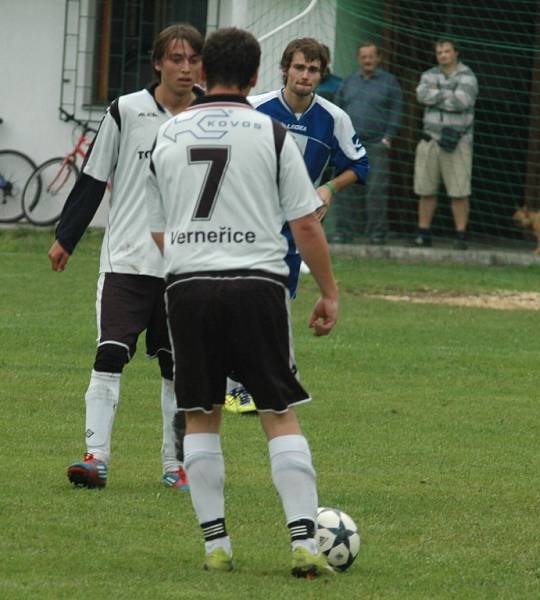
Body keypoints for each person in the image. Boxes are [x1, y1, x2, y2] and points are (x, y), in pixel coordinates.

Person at [147, 27, 339, 577]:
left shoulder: (169, 134)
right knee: (278, 412)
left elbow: (159, 229)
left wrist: (192, 258)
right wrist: (328, 292)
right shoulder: (273, 132)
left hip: (187, 286)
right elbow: (305, 223)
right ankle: (304, 542)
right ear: (257, 77)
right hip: (256, 284)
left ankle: (216, 547)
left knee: (201, 414)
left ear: (203, 72)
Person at [47, 23, 204, 491]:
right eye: (175, 59)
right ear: (158, 63)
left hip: (182, 267)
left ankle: (175, 465)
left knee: (176, 367)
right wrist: (66, 238)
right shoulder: (125, 111)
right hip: (126, 262)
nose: (184, 67)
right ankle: (96, 457)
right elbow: (94, 178)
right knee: (110, 354)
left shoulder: (208, 117)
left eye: (192, 59)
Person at [221, 38, 367, 413]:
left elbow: (359, 164)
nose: (305, 75)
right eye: (299, 67)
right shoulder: (255, 109)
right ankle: (244, 383)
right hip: (246, 219)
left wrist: (330, 187)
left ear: (322, 75)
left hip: (292, 226)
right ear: (285, 69)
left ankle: (274, 375)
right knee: (241, 299)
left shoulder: (334, 118)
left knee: (276, 300)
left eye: (313, 69)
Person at [331, 41, 402, 245]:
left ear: (378, 58)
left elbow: (397, 112)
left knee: (376, 191)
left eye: (371, 56)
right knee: (344, 189)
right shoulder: (348, 82)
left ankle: (377, 234)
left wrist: (388, 139)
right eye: (364, 57)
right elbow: (337, 110)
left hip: (376, 146)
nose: (367, 60)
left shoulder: (390, 83)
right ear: (358, 59)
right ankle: (343, 233)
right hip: (349, 146)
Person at [412, 39, 478, 250]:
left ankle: (460, 236)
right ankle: (423, 233)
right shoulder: (429, 74)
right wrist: (447, 93)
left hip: (457, 142)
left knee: (459, 191)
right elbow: (420, 95)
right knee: (426, 189)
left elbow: (462, 101)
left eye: (447, 51)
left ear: (456, 53)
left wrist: (435, 94)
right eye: (439, 51)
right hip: (429, 139)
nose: (442, 55)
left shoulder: (468, 76)